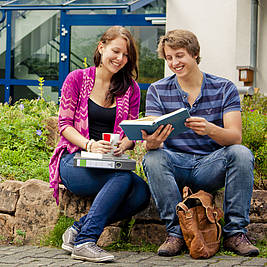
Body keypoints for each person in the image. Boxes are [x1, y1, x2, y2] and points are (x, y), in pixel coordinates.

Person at [142, 29, 259, 257]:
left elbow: (235, 137)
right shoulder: (157, 90)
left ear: (195, 54)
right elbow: (151, 141)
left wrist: (210, 129)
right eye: (169, 58)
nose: (174, 62)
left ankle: (235, 234)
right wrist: (152, 142)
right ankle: (176, 234)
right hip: (176, 164)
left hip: (210, 165)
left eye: (180, 55)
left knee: (241, 153)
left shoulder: (224, 88)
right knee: (153, 157)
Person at [49, 26, 151, 263]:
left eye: (126, 56)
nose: (120, 59)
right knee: (123, 178)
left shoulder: (131, 89)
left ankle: (77, 231)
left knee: (141, 193)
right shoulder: (77, 79)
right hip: (74, 159)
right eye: (116, 51)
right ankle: (86, 242)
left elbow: (131, 132)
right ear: (101, 47)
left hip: (109, 161)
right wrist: (90, 145)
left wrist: (124, 145)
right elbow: (64, 125)